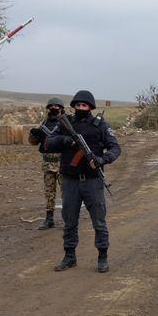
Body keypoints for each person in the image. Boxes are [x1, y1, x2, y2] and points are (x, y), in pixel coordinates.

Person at [45, 90, 121, 272]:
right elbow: (47, 143)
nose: (80, 108)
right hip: (70, 181)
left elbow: (115, 148)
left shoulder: (99, 125)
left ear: (90, 107)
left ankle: (102, 256)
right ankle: (69, 256)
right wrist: (64, 140)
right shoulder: (66, 123)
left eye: (84, 105)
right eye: (77, 105)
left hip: (92, 181)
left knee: (99, 221)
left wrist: (102, 159)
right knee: (69, 220)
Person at [28, 97, 64, 230]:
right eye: (51, 106)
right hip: (48, 164)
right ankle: (49, 219)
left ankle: (69, 217)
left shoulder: (65, 123)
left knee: (66, 192)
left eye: (57, 106)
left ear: (61, 108)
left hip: (62, 164)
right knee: (49, 193)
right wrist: (34, 135)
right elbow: (33, 143)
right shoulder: (43, 123)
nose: (54, 108)